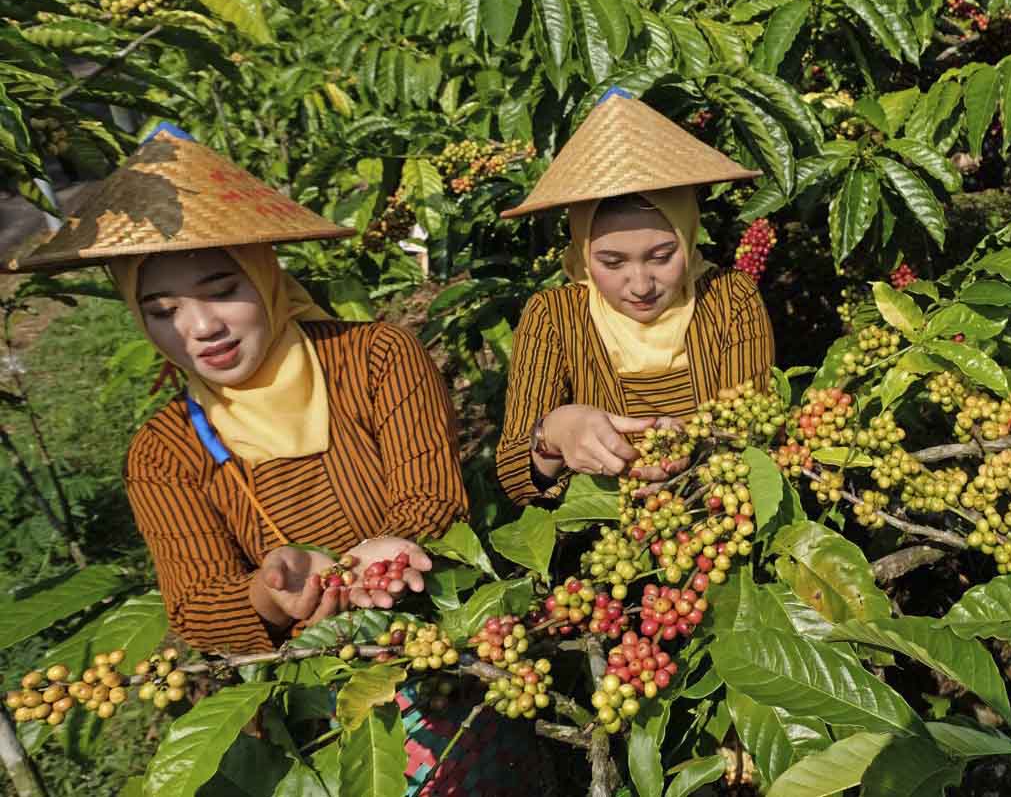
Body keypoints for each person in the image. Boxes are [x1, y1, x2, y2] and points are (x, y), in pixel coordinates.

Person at [3, 128, 513, 795]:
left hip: (446, 642)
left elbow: (432, 501)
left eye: (221, 290)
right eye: (161, 311)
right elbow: (196, 604)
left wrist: (388, 550)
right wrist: (266, 594)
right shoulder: (165, 452)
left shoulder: (376, 358)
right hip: (318, 686)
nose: (200, 329)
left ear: (264, 273)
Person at [495, 89, 775, 504]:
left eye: (662, 256)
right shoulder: (554, 317)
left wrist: (699, 449)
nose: (641, 284)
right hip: (606, 542)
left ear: (690, 235)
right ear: (583, 256)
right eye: (612, 263)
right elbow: (516, 479)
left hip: (718, 524)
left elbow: (756, 432)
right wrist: (553, 433)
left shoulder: (729, 298)